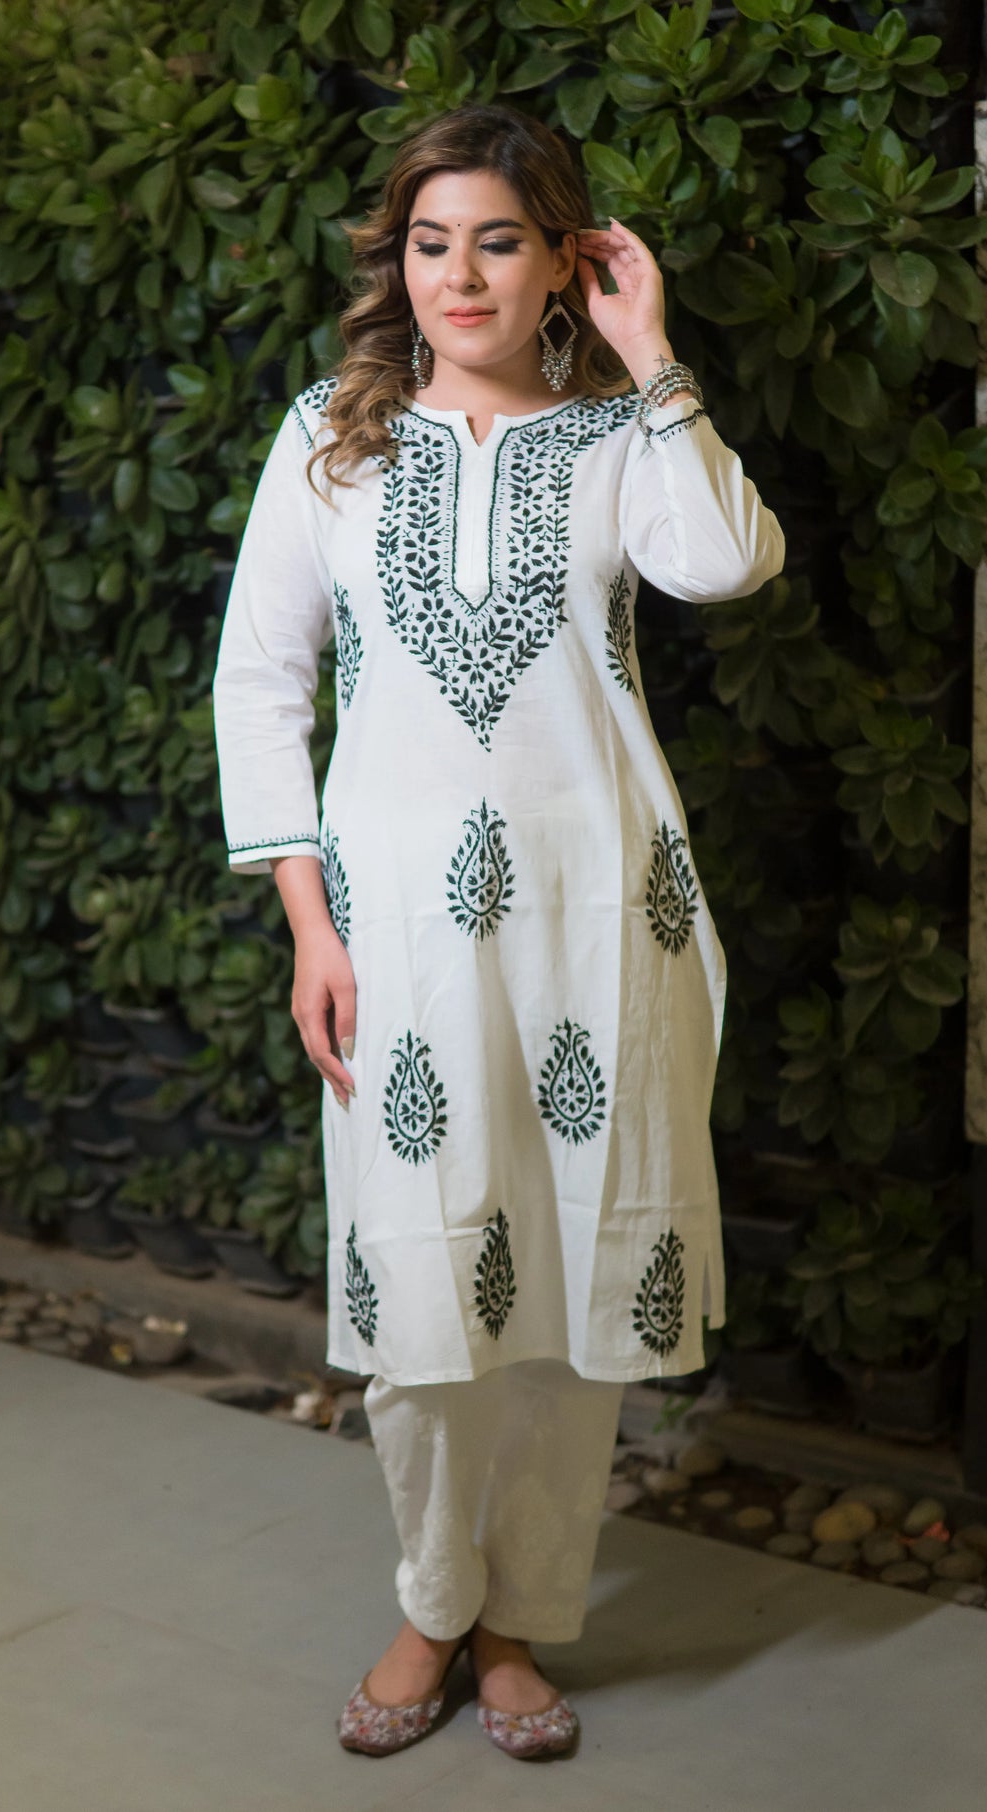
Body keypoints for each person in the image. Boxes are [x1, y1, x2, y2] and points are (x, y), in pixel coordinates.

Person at [212, 101, 784, 1761]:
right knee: (420, 1286)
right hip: (394, 922)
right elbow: (263, 685)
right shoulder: (333, 437)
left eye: (501, 239)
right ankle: (430, 1600)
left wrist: (651, 348)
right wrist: (313, 930)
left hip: (606, 917)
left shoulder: (621, 440)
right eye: (429, 240)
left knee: (574, 1284)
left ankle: (524, 1625)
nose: (458, 273)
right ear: (397, 261)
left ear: (563, 258)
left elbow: (725, 562)